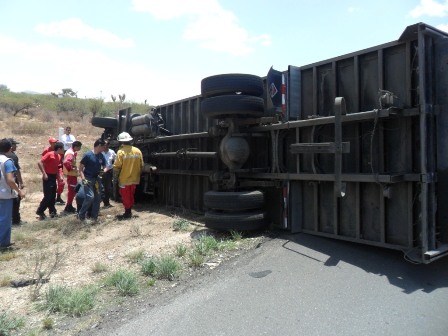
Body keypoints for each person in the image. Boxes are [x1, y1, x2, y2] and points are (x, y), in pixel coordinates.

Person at [0, 139, 25, 249]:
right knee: (5, 220)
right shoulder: (7, 161)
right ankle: (3, 243)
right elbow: (10, 180)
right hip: (4, 195)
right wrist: (19, 191)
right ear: (10, 148)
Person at [113, 132, 143, 220]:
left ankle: (127, 213)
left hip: (124, 179)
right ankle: (129, 210)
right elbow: (141, 165)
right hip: (134, 178)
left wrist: (115, 178)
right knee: (131, 195)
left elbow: (117, 166)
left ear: (121, 142)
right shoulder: (137, 151)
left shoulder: (121, 152)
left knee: (125, 196)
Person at [78, 139, 107, 222]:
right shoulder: (87, 155)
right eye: (103, 147)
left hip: (97, 179)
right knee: (90, 197)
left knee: (97, 198)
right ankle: (81, 215)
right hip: (88, 179)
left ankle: (94, 218)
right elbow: (80, 169)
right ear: (99, 146)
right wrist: (83, 179)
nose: (104, 149)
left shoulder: (101, 155)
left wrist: (103, 171)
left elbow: (105, 166)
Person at [36, 142, 65, 220]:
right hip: (48, 176)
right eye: (63, 148)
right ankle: (40, 210)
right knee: (48, 196)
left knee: (52, 196)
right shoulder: (49, 154)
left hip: (53, 177)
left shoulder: (58, 156)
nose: (63, 150)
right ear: (59, 149)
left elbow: (57, 168)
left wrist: (60, 176)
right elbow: (40, 162)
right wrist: (44, 173)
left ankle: (52, 212)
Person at [5, 138, 24, 225]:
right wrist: (21, 182)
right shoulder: (13, 156)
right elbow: (17, 171)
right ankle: (16, 220)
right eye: (14, 144)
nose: (16, 146)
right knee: (16, 199)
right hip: (12, 179)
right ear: (10, 146)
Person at [42, 137, 65, 205]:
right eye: (54, 142)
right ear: (50, 143)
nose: (55, 143)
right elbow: (42, 161)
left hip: (58, 168)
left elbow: (61, 160)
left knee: (61, 183)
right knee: (50, 188)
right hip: (49, 170)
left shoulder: (59, 150)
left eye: (56, 142)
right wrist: (44, 172)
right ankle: (49, 199)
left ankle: (58, 196)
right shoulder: (47, 151)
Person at [63, 140, 82, 213]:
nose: (80, 148)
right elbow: (66, 162)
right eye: (79, 147)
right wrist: (72, 168)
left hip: (72, 175)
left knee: (72, 191)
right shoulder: (70, 153)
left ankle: (69, 205)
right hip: (71, 175)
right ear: (76, 147)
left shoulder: (71, 152)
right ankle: (68, 207)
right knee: (72, 191)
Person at [102, 140, 116, 208]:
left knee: (108, 187)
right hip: (101, 171)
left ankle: (106, 203)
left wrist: (112, 167)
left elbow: (115, 160)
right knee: (101, 187)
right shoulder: (100, 152)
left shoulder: (112, 152)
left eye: (106, 144)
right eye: (104, 144)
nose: (105, 146)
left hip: (109, 172)